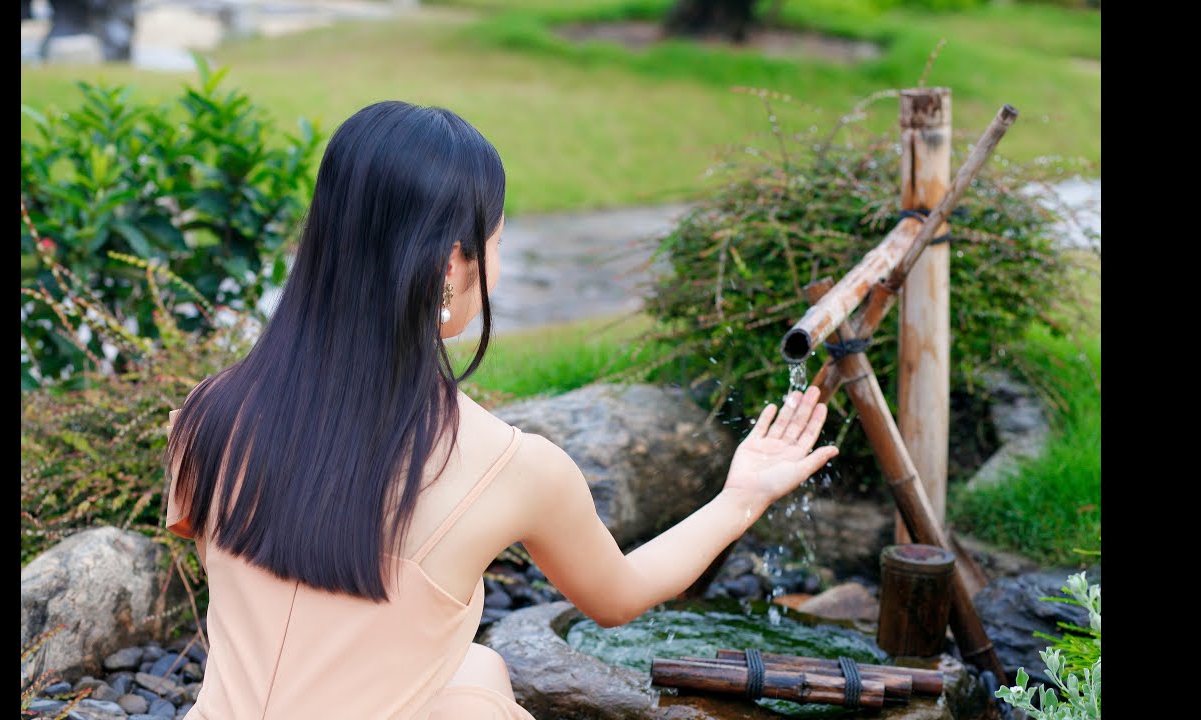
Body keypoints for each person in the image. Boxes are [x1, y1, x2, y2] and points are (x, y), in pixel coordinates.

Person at [163, 100, 839, 719]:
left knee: (477, 665)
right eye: (497, 243)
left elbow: (297, 607)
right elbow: (619, 596)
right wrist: (741, 497)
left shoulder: (206, 417)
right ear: (451, 267)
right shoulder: (511, 467)